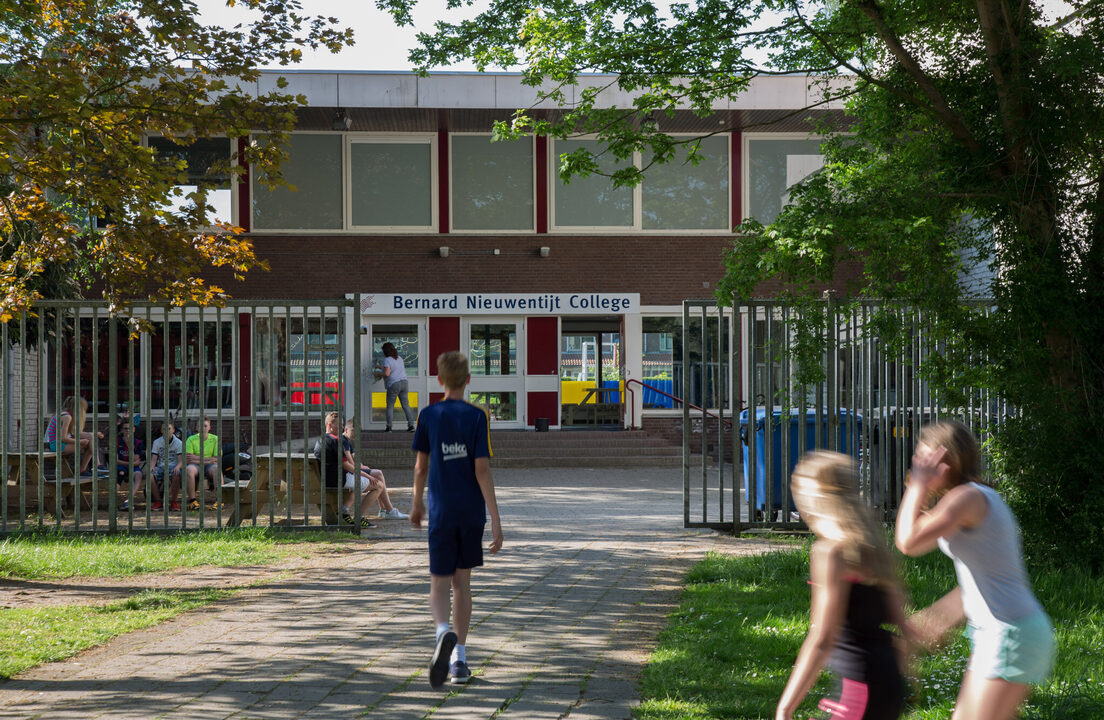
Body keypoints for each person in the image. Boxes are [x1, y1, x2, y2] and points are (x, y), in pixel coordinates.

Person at [895, 420, 1054, 720]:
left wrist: (917, 486)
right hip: (1007, 632)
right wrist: (940, 616)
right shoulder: (970, 498)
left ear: (946, 460)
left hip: (1010, 634)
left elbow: (908, 541)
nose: (918, 465)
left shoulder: (968, 498)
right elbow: (988, 574)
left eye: (924, 458)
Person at [776, 451, 911, 720]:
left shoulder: (831, 552)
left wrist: (786, 707)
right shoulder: (875, 550)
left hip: (858, 683)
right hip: (889, 680)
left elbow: (822, 638)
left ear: (814, 500)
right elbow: (903, 626)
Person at [411, 350, 504, 688]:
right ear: (468, 380)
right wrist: (495, 518)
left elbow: (421, 467)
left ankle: (441, 632)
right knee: (461, 583)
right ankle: (459, 660)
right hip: (470, 512)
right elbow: (482, 470)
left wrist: (416, 504)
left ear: (439, 380)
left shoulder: (428, 415)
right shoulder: (479, 417)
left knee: (438, 580)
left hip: (442, 511)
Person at [314, 411, 380, 528]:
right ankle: (358, 517)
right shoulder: (336, 441)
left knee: (360, 481)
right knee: (378, 486)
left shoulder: (320, 441)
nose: (342, 428)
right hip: (338, 479)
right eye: (339, 425)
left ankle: (344, 510)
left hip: (327, 478)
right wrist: (368, 476)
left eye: (342, 425)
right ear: (329, 425)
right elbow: (347, 466)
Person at [343, 418, 408, 519]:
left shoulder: (348, 441)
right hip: (349, 473)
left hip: (351, 470)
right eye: (353, 431)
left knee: (378, 474)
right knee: (378, 474)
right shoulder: (343, 441)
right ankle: (388, 510)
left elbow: (355, 459)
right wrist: (361, 467)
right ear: (346, 429)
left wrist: (362, 465)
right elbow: (351, 463)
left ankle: (384, 510)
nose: (355, 434)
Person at [43, 396, 103, 477]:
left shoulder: (64, 414)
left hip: (57, 443)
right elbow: (63, 438)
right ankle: (91, 467)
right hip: (56, 445)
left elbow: (74, 434)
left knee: (91, 437)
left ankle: (96, 465)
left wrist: (93, 434)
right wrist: (80, 442)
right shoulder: (67, 417)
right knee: (89, 442)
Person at [375, 341, 416, 432]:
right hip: (404, 383)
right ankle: (411, 426)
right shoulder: (399, 358)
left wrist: (377, 374)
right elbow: (394, 368)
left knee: (390, 406)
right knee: (405, 405)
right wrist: (380, 367)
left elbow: (387, 373)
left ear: (385, 351)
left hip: (394, 384)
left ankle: (389, 427)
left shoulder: (387, 359)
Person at [116, 421, 157, 510]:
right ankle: (112, 501)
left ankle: (128, 501)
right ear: (122, 430)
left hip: (133, 467)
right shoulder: (117, 441)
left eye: (130, 428)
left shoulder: (138, 442)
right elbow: (116, 460)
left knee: (138, 475)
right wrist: (129, 464)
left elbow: (135, 460)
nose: (128, 430)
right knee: (120, 473)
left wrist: (129, 445)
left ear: (134, 430)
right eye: (125, 428)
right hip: (121, 466)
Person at [184, 416, 222, 511]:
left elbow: (217, 459)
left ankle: (219, 501)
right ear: (196, 428)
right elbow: (188, 459)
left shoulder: (216, 439)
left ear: (209, 427)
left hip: (210, 466)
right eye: (200, 426)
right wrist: (209, 459)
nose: (203, 428)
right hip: (196, 466)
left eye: (205, 426)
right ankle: (193, 501)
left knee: (217, 469)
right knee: (189, 469)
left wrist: (197, 458)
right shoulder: (190, 439)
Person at [152, 420, 184, 511]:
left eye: (169, 428)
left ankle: (174, 502)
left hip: (173, 466)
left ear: (173, 430)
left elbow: (181, 460)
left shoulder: (179, 443)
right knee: (150, 475)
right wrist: (151, 467)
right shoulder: (157, 442)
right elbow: (154, 458)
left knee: (177, 473)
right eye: (164, 429)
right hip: (161, 466)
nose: (167, 431)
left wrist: (177, 467)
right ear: (161, 431)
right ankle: (158, 501)